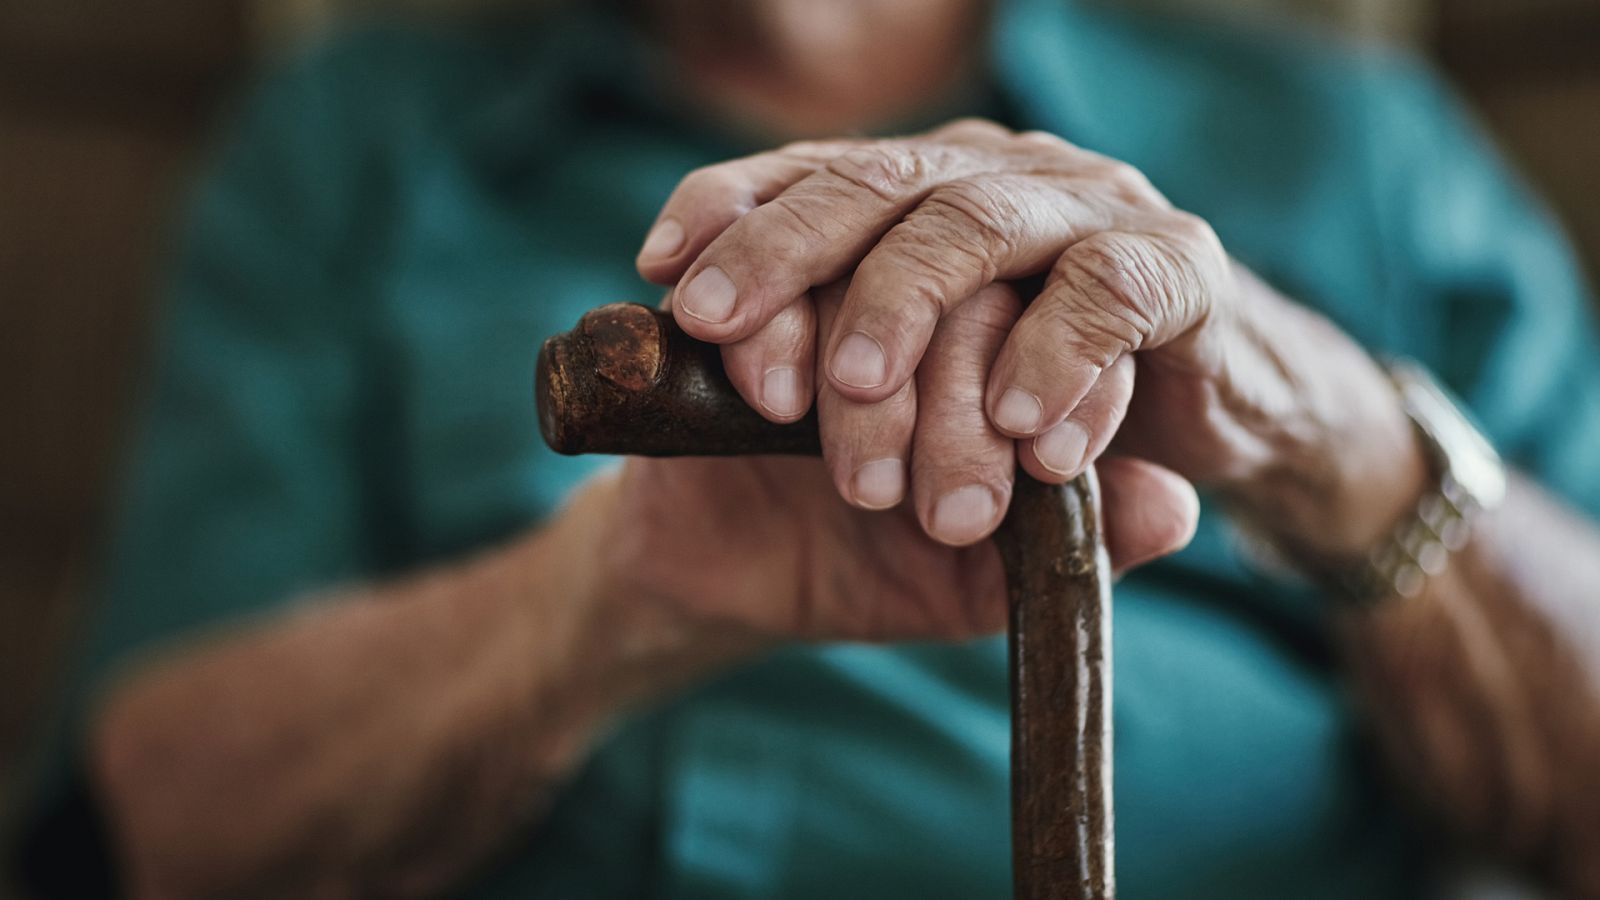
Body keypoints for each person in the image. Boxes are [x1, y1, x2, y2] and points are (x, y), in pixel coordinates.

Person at [14, 0, 1600, 897]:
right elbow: (146, 826)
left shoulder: (1356, 149)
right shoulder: (348, 146)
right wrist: (600, 606)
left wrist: (1334, 435)